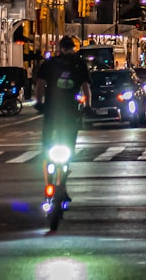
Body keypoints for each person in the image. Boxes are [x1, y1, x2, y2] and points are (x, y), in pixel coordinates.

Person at [34, 36, 92, 204]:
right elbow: (86, 88)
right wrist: (87, 106)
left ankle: (49, 186)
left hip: (52, 113)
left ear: (60, 48)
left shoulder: (50, 63)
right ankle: (61, 186)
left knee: (47, 151)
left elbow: (39, 84)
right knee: (67, 152)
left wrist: (39, 103)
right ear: (73, 48)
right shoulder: (79, 64)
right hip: (70, 115)